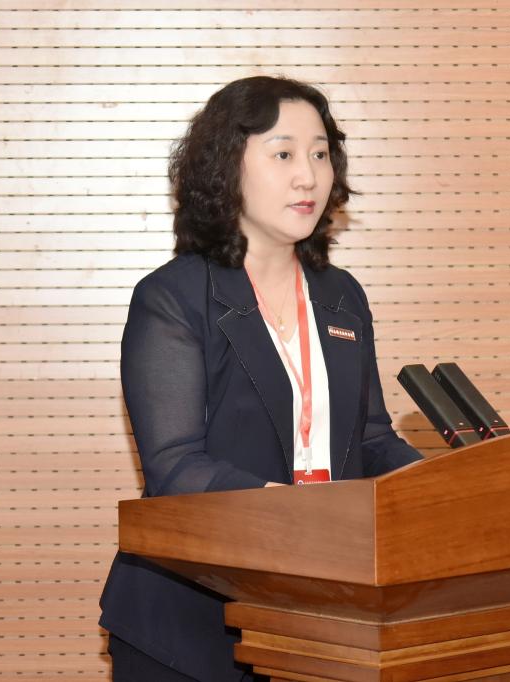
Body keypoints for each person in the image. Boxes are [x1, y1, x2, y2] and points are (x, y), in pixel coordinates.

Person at [99, 76, 423, 681]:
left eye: (320, 154)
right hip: (191, 621)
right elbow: (175, 466)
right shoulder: (173, 297)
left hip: (320, 611)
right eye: (283, 154)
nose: (308, 177)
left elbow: (372, 440)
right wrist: (295, 513)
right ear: (227, 167)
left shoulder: (342, 295)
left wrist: (442, 489)